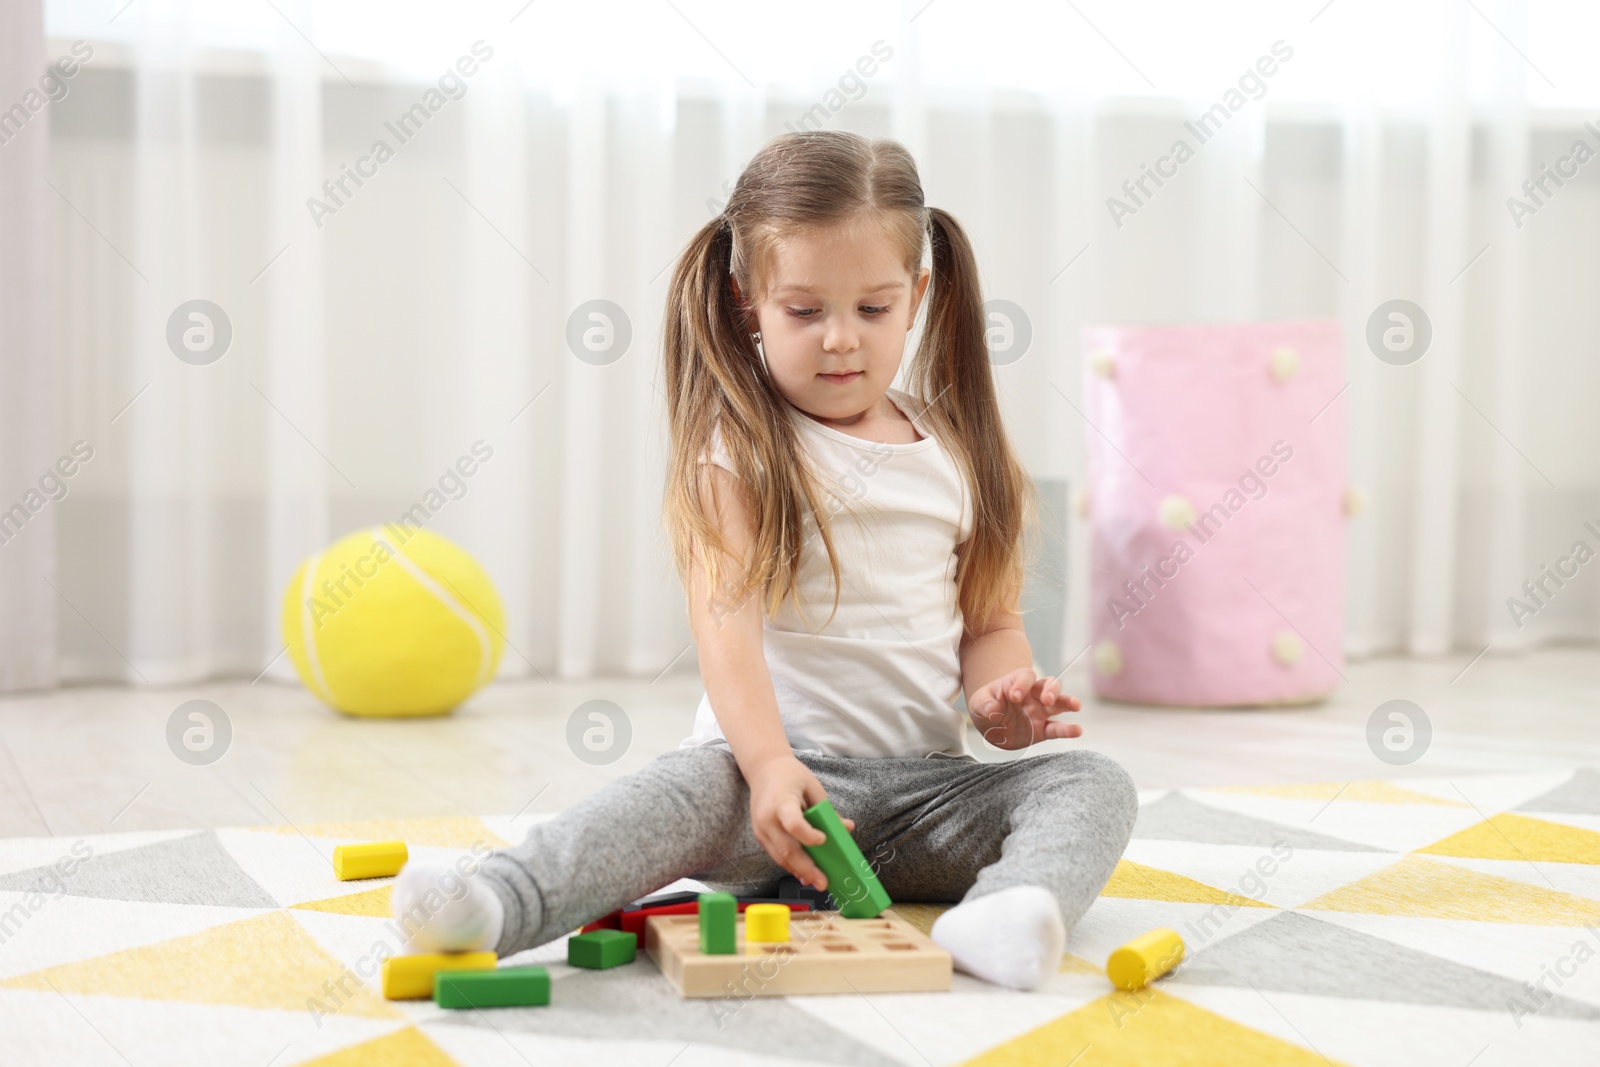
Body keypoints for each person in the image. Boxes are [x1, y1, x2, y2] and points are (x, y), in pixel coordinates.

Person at [393, 129, 1138, 991]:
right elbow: (727, 635)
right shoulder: (740, 449)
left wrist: (1004, 700)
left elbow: (992, 625)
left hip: (928, 792)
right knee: (664, 799)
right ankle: (493, 901)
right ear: (749, 302)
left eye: (873, 309)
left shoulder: (958, 454)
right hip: (769, 788)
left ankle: (1010, 910)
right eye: (804, 310)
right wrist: (769, 767)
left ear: (919, 296)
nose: (840, 340)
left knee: (1093, 782)